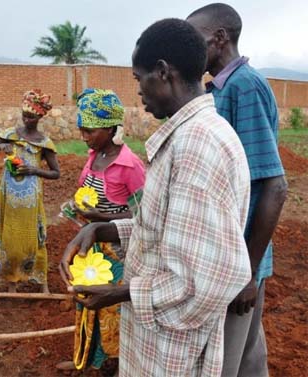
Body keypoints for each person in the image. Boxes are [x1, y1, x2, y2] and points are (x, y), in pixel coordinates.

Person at [59, 19, 253, 376]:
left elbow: (205, 279)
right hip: (158, 343)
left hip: (171, 352)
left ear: (163, 72)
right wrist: (104, 231)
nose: (138, 92)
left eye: (138, 79)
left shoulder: (197, 147)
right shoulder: (189, 136)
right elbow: (174, 232)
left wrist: (120, 293)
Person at [187, 4, 288, 376]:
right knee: (247, 357)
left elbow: (274, 186)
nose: (190, 49)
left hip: (237, 262)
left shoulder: (245, 87)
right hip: (235, 257)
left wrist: (247, 271)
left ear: (219, 38)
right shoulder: (223, 88)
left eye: (195, 40)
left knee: (225, 362)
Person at [56, 88, 145, 372]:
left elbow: (145, 214)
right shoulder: (94, 156)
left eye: (89, 131)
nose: (84, 137)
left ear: (109, 128)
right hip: (92, 245)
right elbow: (87, 190)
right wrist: (77, 206)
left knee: (112, 311)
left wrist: (102, 216)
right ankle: (86, 357)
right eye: (82, 130)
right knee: (86, 301)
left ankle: (117, 365)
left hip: (119, 251)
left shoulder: (130, 165)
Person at [0, 89, 60, 294]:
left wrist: (34, 170)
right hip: (8, 195)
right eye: (25, 115)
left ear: (39, 117)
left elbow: (56, 173)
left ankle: (42, 283)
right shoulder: (10, 134)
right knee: (10, 238)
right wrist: (2, 145)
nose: (27, 120)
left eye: (32, 117)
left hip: (30, 199)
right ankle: (12, 282)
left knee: (35, 238)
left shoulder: (44, 143)